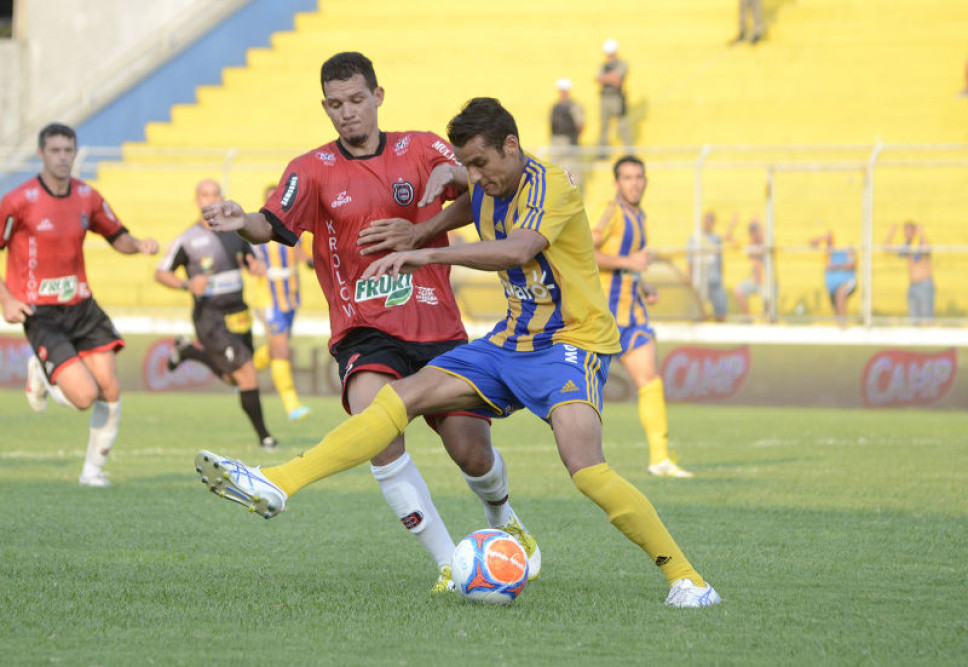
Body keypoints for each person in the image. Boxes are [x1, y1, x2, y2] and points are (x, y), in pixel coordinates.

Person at [195, 97, 721, 608]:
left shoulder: (552, 185)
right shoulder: (488, 182)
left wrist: (425, 251)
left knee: (584, 467)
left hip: (570, 344)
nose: (474, 175)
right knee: (396, 400)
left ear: (511, 146)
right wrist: (425, 224)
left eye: (480, 163)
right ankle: (278, 482)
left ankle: (688, 579)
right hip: (508, 340)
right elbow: (473, 200)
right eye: (466, 164)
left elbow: (517, 249)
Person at [189, 53, 538, 595]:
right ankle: (450, 565)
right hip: (364, 329)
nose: (347, 112)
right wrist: (243, 221)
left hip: (437, 326)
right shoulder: (311, 169)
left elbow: (480, 189)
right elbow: (271, 223)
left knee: (471, 450)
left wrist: (427, 220)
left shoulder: (422, 147)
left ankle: (503, 517)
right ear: (325, 107)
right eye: (335, 104)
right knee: (378, 429)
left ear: (378, 96)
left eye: (356, 99)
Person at [0, 122, 159, 487]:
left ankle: (92, 472)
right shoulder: (17, 201)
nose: (62, 157)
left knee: (110, 389)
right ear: (41, 154)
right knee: (84, 397)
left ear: (75, 152)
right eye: (55, 150)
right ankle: (41, 372)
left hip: (83, 306)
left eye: (68, 150)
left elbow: (117, 236)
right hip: (40, 312)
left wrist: (138, 245)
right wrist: (6, 298)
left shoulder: (87, 196)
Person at [155, 179, 278, 450]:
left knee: (231, 377)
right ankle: (265, 437)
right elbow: (161, 273)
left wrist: (256, 266)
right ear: (196, 200)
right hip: (210, 316)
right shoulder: (187, 239)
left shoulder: (237, 231)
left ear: (222, 199)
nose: (210, 199)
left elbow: (252, 259)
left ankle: (188, 351)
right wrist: (187, 284)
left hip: (239, 312)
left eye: (215, 194)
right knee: (247, 374)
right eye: (204, 195)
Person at [591, 155, 693, 478]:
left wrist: (643, 283)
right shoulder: (612, 212)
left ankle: (660, 459)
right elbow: (586, 251)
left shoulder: (640, 216)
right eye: (627, 178)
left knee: (649, 380)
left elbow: (628, 264)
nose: (634, 183)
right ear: (616, 183)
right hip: (601, 318)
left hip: (632, 315)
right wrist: (629, 263)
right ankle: (583, 460)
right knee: (581, 392)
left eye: (639, 177)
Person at [250, 183, 312, 421]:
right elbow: (246, 258)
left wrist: (313, 262)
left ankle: (247, 369)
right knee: (281, 348)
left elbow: (303, 255)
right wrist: (251, 265)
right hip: (268, 297)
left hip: (291, 296)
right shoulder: (256, 231)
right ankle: (291, 404)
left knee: (278, 345)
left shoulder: (296, 228)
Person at [687, 211, 736, 322]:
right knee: (697, 311)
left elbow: (720, 260)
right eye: (706, 220)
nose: (708, 223)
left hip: (715, 280)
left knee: (721, 309)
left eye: (710, 221)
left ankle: (720, 329)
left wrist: (722, 277)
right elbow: (690, 260)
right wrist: (690, 276)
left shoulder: (716, 239)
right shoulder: (695, 238)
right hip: (700, 281)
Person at [883, 221, 934, 324]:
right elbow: (886, 248)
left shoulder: (921, 243)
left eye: (908, 231)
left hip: (924, 284)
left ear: (914, 231)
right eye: (905, 232)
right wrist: (891, 233)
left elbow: (927, 249)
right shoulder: (907, 247)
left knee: (927, 318)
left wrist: (922, 234)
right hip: (913, 286)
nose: (906, 234)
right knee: (913, 318)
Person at [595, 38, 633, 157]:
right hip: (605, 98)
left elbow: (617, 80)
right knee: (604, 126)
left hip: (617, 98)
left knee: (623, 126)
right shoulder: (603, 65)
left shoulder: (622, 64)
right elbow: (598, 79)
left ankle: (629, 153)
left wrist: (606, 78)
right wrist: (611, 77)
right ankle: (602, 153)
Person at [809, 230, 856, 326]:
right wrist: (822, 238)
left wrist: (835, 266)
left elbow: (851, 265)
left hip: (846, 282)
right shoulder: (828, 252)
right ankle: (840, 324)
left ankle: (842, 324)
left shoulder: (848, 249)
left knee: (841, 293)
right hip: (832, 286)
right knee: (835, 306)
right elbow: (812, 243)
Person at [548, 77, 585, 189]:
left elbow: (581, 125)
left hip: (569, 140)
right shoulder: (555, 106)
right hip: (556, 141)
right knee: (555, 171)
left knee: (573, 173)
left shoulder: (574, 106)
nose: (562, 93)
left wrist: (573, 137)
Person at [733, 217, 772, 320]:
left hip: (766, 281)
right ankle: (747, 318)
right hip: (754, 280)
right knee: (738, 291)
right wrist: (733, 222)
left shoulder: (766, 243)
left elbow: (766, 235)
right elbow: (729, 238)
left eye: (755, 231)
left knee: (767, 300)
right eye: (752, 232)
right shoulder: (750, 244)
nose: (754, 234)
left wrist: (758, 223)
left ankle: (768, 320)